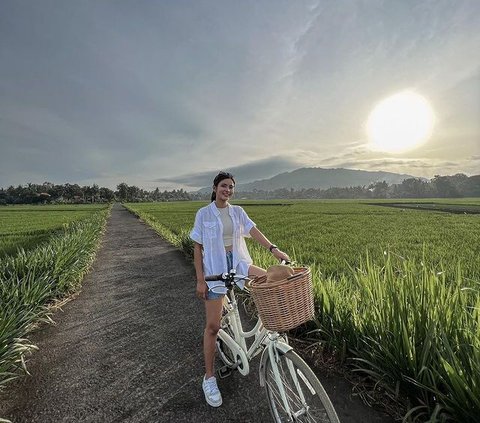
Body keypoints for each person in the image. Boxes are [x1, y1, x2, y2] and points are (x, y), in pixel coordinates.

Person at [190, 171, 290, 407]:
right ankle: (209, 377)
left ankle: (268, 335)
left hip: (238, 264)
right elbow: (197, 248)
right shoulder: (204, 214)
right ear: (214, 188)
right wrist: (200, 279)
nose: (228, 190)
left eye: (231, 187)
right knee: (213, 327)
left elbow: (253, 231)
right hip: (215, 270)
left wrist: (274, 249)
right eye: (224, 186)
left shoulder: (237, 212)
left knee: (270, 280)